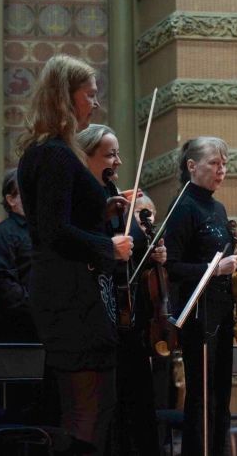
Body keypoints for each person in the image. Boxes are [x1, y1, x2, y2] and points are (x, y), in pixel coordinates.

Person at [16, 54, 133, 455]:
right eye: (90, 94)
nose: (95, 103)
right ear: (66, 96)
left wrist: (103, 211)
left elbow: (57, 219)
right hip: (71, 295)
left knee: (86, 409)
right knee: (90, 410)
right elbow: (54, 231)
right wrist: (108, 246)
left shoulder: (45, 151)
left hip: (66, 290)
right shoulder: (55, 154)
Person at [77, 123, 166, 455]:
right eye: (110, 155)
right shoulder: (80, 199)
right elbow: (79, 247)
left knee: (136, 402)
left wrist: (154, 253)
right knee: (107, 407)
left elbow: (135, 250)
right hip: (97, 315)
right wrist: (105, 225)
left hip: (132, 317)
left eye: (117, 154)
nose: (118, 162)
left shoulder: (116, 197)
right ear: (86, 157)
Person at [163, 136, 237, 455]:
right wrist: (214, 270)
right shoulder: (182, 206)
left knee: (220, 395)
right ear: (192, 166)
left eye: (224, 164)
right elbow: (172, 267)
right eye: (214, 163)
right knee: (202, 397)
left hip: (222, 311)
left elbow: (222, 258)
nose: (221, 170)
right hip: (197, 315)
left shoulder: (218, 207)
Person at [0, 168, 36, 342]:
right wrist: (41, 307)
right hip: (19, 332)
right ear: (11, 199)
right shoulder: (0, 235)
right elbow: (3, 287)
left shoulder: (47, 231)